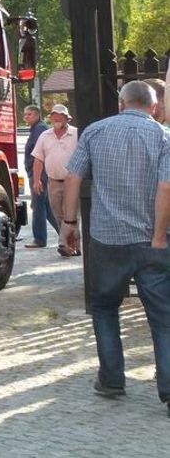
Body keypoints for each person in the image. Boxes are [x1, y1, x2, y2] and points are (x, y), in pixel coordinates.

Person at [61, 80, 170, 415]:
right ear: (154, 106)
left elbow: (73, 178)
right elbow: (166, 188)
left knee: (105, 308)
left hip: (107, 240)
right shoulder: (164, 137)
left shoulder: (94, 131)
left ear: (121, 103)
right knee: (164, 318)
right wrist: (159, 237)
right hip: (152, 241)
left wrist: (69, 224)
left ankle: (111, 380)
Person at [32, 103, 80, 256]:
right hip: (53, 182)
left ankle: (65, 244)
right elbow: (38, 159)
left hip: (72, 182)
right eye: (54, 117)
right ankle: (71, 244)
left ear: (67, 118)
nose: (57, 119)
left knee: (70, 215)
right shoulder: (45, 136)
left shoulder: (77, 134)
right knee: (58, 215)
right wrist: (36, 180)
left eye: (60, 117)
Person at [23, 104, 56, 248]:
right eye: (25, 114)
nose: (26, 117)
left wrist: (37, 178)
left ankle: (40, 239)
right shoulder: (37, 129)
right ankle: (65, 234)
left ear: (37, 115)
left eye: (29, 114)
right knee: (47, 208)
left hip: (39, 174)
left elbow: (39, 154)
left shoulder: (39, 129)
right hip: (38, 173)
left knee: (38, 207)